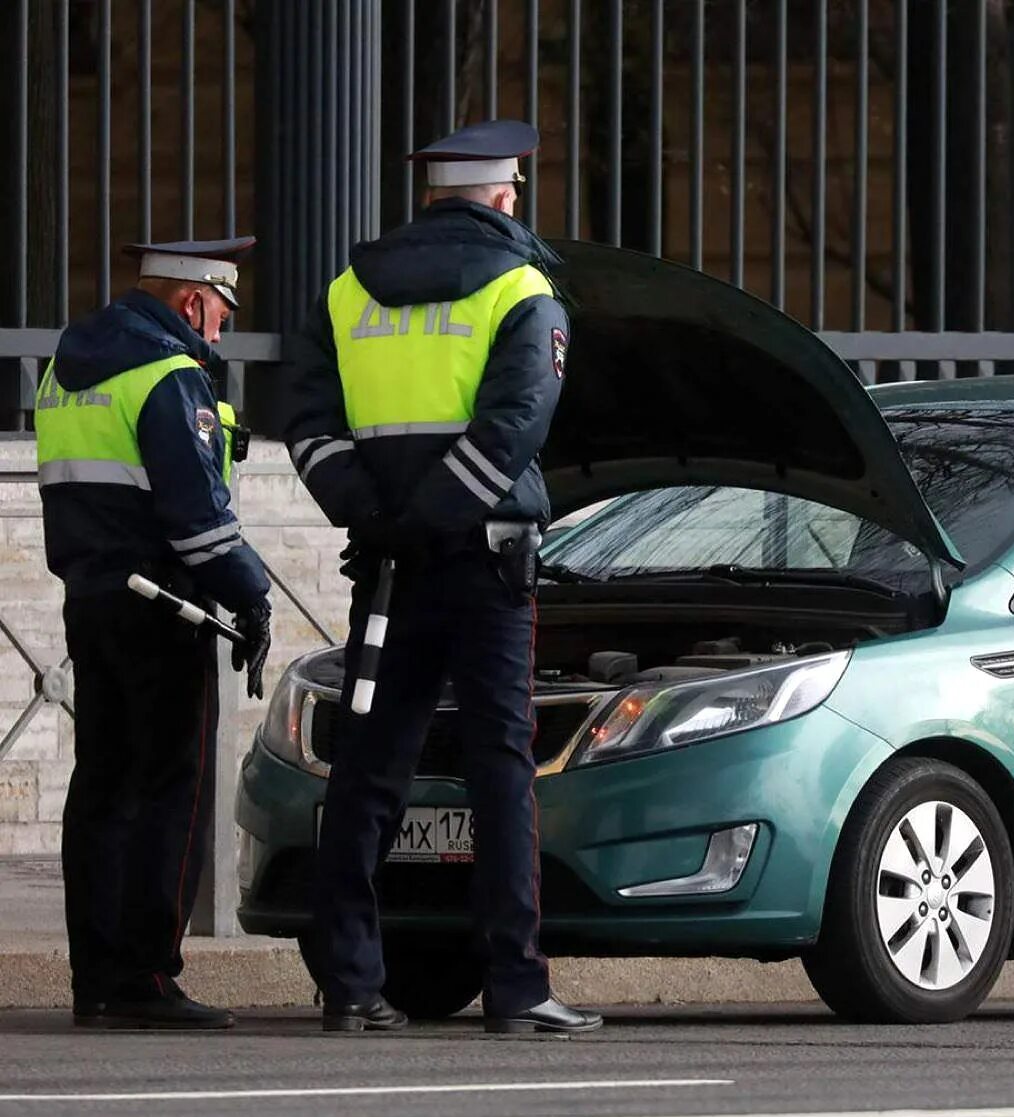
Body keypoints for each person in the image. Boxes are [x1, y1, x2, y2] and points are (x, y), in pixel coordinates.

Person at [284, 120, 601, 1034]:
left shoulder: (345, 290)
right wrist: (435, 515)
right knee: (501, 764)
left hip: (388, 565)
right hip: (486, 563)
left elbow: (307, 419)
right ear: (505, 194)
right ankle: (517, 986)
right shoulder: (522, 288)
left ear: (431, 195)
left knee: (370, 765)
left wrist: (376, 514)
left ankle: (349, 983)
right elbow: (514, 427)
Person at [36, 238, 273, 1030]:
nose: (219, 329)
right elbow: (198, 520)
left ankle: (97, 979)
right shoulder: (169, 376)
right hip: (165, 606)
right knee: (172, 787)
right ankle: (146, 976)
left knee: (102, 789)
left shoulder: (66, 372)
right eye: (219, 312)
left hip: (91, 599)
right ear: (192, 301)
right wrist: (253, 594)